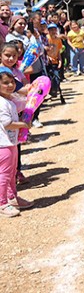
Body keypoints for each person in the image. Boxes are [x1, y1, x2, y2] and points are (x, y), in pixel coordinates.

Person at [0, 67, 32, 218]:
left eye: (12, 82)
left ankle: (13, 198)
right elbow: (7, 123)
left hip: (10, 142)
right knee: (5, 174)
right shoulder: (2, 103)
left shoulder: (9, 100)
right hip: (3, 144)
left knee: (12, 173)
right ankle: (2, 203)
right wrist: (23, 125)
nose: (10, 85)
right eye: (5, 83)